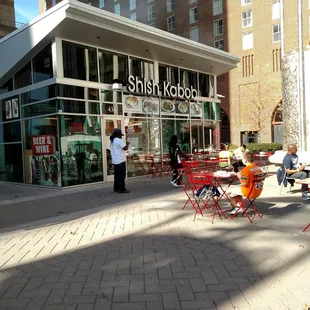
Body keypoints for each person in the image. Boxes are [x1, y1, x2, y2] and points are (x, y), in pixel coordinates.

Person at [110, 128, 130, 193]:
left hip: (115, 161)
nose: (121, 136)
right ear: (118, 135)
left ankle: (116, 188)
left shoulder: (112, 140)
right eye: (120, 135)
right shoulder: (119, 140)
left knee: (117, 176)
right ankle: (122, 189)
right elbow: (125, 148)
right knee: (121, 176)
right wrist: (127, 143)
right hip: (120, 160)